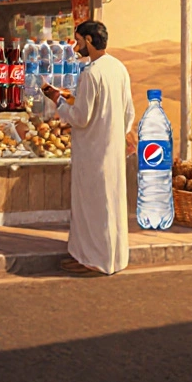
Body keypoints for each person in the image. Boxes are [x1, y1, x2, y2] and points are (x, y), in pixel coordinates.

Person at [42, 20, 133, 276]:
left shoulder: (91, 74)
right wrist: (114, 135)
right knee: (108, 206)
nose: (76, 46)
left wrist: (58, 101)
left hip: (93, 153)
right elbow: (128, 113)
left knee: (94, 207)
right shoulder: (119, 68)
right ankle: (94, 257)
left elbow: (81, 117)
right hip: (111, 151)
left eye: (79, 41)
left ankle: (96, 261)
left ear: (90, 41)